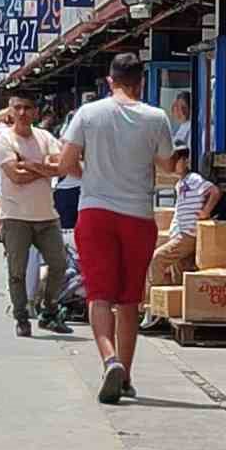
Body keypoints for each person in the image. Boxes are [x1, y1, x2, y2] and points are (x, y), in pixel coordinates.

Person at [58, 53, 176, 404]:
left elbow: (66, 163)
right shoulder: (156, 118)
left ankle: (109, 359)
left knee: (99, 294)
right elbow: (167, 163)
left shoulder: (88, 114)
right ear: (141, 82)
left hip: (95, 211)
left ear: (110, 80)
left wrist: (92, 175)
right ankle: (125, 372)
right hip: (138, 215)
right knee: (128, 299)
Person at [0, 92, 72, 338]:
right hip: (15, 216)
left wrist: (30, 164)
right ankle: (21, 316)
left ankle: (48, 310)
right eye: (18, 108)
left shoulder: (45, 137)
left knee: (59, 265)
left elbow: (62, 167)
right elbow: (15, 176)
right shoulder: (4, 141)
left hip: (46, 215)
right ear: (10, 111)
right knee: (17, 271)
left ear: (36, 112)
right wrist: (45, 169)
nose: (23, 113)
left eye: (28, 107)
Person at [148, 149, 218, 288]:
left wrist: (205, 211)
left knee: (157, 259)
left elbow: (214, 191)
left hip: (187, 234)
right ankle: (173, 303)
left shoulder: (193, 179)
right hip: (179, 234)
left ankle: (158, 298)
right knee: (179, 273)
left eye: (177, 160)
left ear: (186, 161)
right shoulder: (180, 184)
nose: (174, 164)